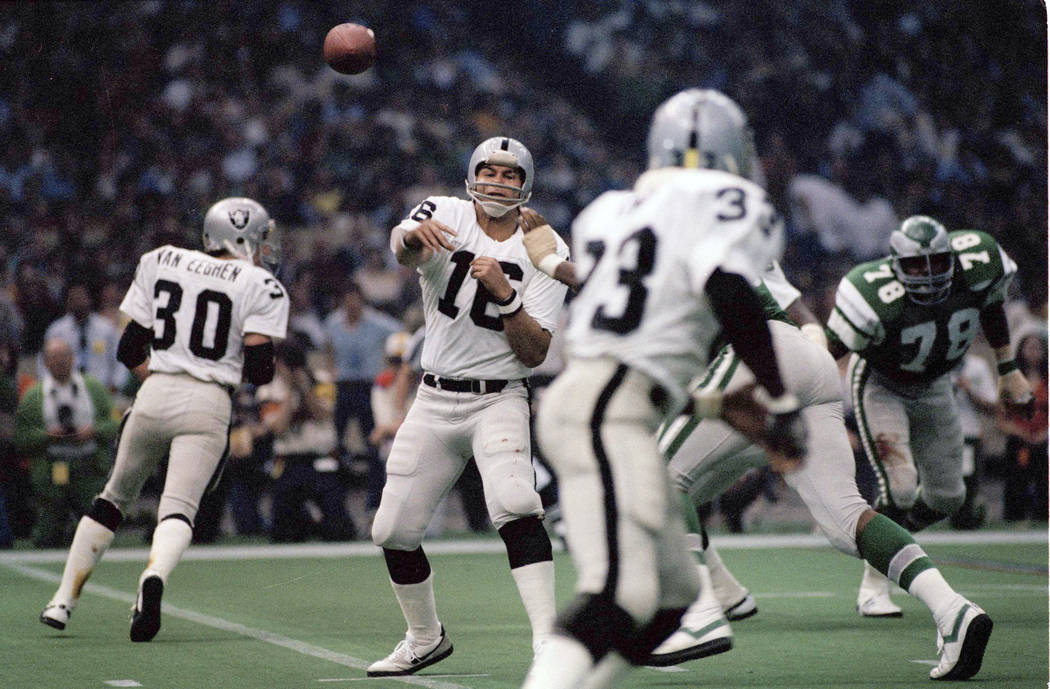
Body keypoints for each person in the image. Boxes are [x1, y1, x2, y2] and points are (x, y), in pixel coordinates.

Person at [519, 89, 806, 689]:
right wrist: (780, 400)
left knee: (674, 594)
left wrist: (711, 402)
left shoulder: (609, 209)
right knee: (620, 592)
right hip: (605, 412)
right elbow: (727, 289)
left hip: (608, 403)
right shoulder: (735, 203)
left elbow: (635, 332)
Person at [651, 260, 1001, 680]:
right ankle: (952, 609)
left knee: (655, 475)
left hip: (759, 355)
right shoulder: (720, 241)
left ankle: (698, 610)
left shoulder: (663, 241)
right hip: (808, 364)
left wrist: (553, 265)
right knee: (847, 518)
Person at [39, 197, 288, 642]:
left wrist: (167, 374)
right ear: (244, 238)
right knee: (178, 509)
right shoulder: (260, 284)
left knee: (112, 498)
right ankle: (152, 578)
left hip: (155, 390)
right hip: (209, 400)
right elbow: (261, 369)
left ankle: (62, 600)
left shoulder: (163, 260)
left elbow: (129, 350)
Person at [366, 136, 570, 677]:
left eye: (509, 175)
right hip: (433, 398)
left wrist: (507, 296)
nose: (498, 182)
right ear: (471, 174)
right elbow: (403, 249)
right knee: (391, 531)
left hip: (499, 397)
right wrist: (412, 238)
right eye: (489, 171)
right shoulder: (447, 212)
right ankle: (424, 637)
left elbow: (536, 350)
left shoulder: (544, 245)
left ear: (525, 183)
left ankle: (550, 642)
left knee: (515, 502)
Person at [824, 216, 1031, 622]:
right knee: (900, 488)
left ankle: (886, 544)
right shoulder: (873, 292)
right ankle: (874, 582)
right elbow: (833, 347)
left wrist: (1008, 370)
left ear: (952, 256)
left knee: (948, 497)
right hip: (882, 384)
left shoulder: (977, 263)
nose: (929, 273)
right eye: (917, 265)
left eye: (938, 262)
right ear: (896, 265)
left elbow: (991, 307)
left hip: (937, 384)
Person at [15, 338, 118, 547]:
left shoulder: (93, 387)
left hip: (88, 464)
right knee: (48, 535)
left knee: (97, 531)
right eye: (53, 358)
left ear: (73, 359)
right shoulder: (34, 395)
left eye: (64, 356)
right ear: (44, 362)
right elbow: (22, 438)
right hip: (54, 466)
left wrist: (94, 432)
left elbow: (115, 424)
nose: (60, 362)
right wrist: (47, 436)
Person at [261, 339, 355, 542]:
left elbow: (323, 414)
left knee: (338, 530)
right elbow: (278, 427)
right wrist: (289, 391)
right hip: (289, 461)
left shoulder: (322, 380)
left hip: (321, 459)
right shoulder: (269, 387)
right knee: (283, 533)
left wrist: (304, 388)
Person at [324, 280, 400, 513]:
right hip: (343, 385)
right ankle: (334, 499)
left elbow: (399, 335)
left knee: (373, 443)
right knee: (334, 441)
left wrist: (389, 368)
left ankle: (374, 499)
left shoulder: (378, 324)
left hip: (368, 385)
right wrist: (331, 372)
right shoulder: (333, 324)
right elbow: (329, 349)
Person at [998, 332, 1047, 521]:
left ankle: (1042, 516)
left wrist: (1044, 433)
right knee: (1017, 479)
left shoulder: (1047, 380)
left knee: (1043, 480)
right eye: (1029, 347)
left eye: (1037, 348)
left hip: (1044, 439)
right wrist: (1019, 432)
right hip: (1018, 439)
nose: (1033, 352)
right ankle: (1014, 516)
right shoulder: (1011, 381)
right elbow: (1002, 416)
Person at [42, 281, 126, 392]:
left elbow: (119, 359)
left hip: (103, 389)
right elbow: (43, 363)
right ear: (67, 302)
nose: (78, 302)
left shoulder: (106, 328)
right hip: (66, 391)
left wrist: (116, 384)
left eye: (81, 297)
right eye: (74, 298)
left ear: (89, 299)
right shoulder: (57, 331)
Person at [950, 352, 997, 529]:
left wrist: (969, 390)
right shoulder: (936, 363)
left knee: (966, 480)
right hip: (937, 433)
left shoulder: (977, 366)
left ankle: (965, 518)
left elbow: (992, 406)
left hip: (967, 433)